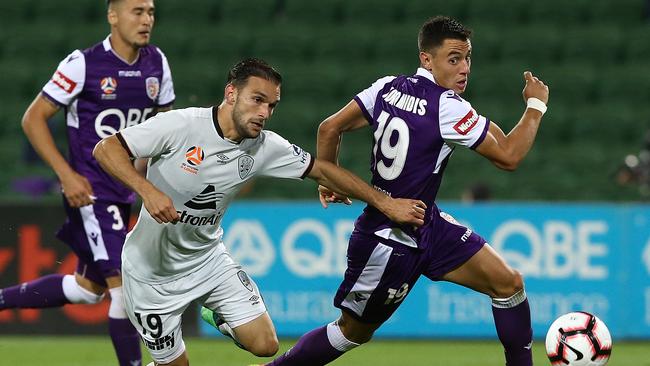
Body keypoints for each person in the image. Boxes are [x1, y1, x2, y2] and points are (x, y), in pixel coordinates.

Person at [92, 58, 426, 366]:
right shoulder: (181, 126)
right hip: (151, 275)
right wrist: (148, 191)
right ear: (231, 93)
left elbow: (322, 170)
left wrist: (384, 202)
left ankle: (218, 316)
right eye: (258, 100)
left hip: (208, 261)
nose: (265, 112)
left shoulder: (264, 146)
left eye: (272, 105)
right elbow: (106, 148)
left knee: (266, 345)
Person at [261, 16, 549, 366]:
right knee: (352, 332)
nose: (464, 69)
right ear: (427, 59)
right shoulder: (447, 105)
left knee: (508, 283)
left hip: (426, 221)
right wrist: (535, 106)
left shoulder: (387, 88)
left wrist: (328, 179)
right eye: (454, 59)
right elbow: (509, 155)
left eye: (468, 58)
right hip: (388, 238)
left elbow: (329, 128)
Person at [0, 1, 174, 365]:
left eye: (151, 13)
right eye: (137, 11)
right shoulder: (82, 64)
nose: (146, 20)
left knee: (87, 290)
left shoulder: (157, 62)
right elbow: (33, 119)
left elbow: (165, 128)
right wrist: (66, 175)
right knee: (125, 290)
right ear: (113, 15)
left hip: (124, 191)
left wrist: (146, 175)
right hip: (90, 192)